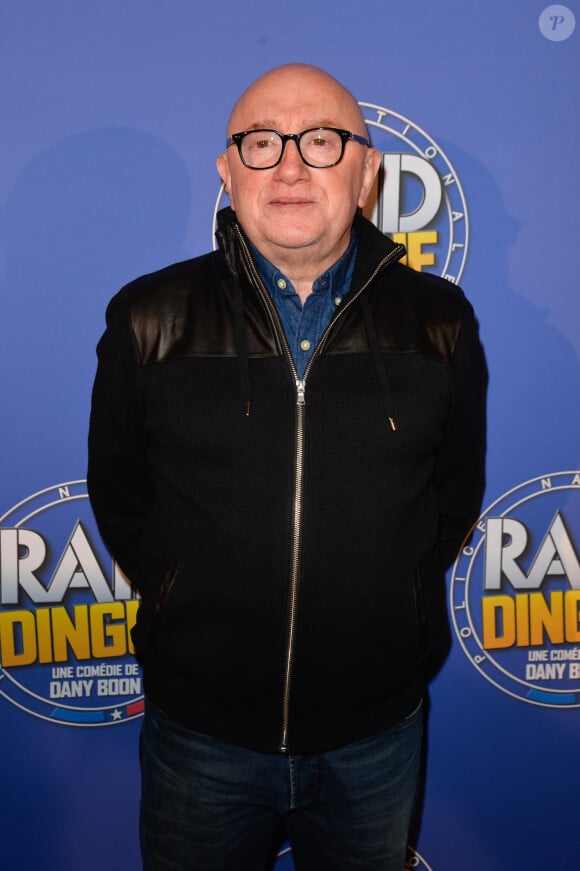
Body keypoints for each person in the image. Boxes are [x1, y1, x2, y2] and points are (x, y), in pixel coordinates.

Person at [87, 63, 487, 870]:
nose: (293, 166)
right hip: (199, 737)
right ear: (228, 171)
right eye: (263, 143)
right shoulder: (149, 317)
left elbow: (452, 498)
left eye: (323, 140)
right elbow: (122, 494)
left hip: (375, 735)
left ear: (369, 172)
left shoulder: (440, 322)